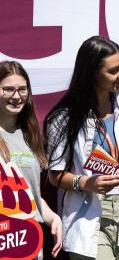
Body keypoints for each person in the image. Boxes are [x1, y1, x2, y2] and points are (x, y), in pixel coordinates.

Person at [44, 36, 119, 260]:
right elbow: (55, 175)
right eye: (114, 70)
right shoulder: (64, 117)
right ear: (92, 72)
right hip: (86, 214)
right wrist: (86, 183)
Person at [0, 61, 62, 259]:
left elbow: (31, 194)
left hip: (30, 245)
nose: (16, 96)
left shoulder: (30, 136)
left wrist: (53, 218)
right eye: (8, 89)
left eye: (22, 90)